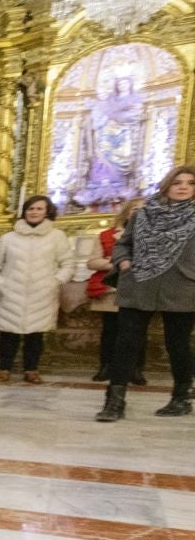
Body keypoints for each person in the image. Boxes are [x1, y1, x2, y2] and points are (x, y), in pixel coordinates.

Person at [97, 165, 195, 421]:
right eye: (178, 182)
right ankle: (114, 402)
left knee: (178, 345)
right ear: (167, 186)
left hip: (182, 286)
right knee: (126, 343)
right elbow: (123, 245)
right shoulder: (143, 215)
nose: (183, 187)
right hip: (140, 283)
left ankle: (181, 397)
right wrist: (124, 263)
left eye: (190, 183)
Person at [0, 194, 76, 384]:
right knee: (8, 334)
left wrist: (55, 282)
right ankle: (4, 369)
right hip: (10, 292)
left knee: (35, 334)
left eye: (39, 209)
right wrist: (0, 284)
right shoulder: (8, 238)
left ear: (47, 212)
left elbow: (68, 264)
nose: (34, 212)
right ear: (24, 212)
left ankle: (31, 369)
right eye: (30, 209)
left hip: (42, 293)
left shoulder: (57, 237)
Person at [86, 197, 146, 385]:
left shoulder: (156, 235)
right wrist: (116, 262)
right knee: (110, 331)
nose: (138, 212)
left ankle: (136, 369)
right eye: (134, 209)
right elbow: (92, 262)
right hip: (112, 290)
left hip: (140, 289)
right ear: (126, 212)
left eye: (143, 209)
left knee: (138, 331)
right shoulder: (106, 235)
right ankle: (106, 366)